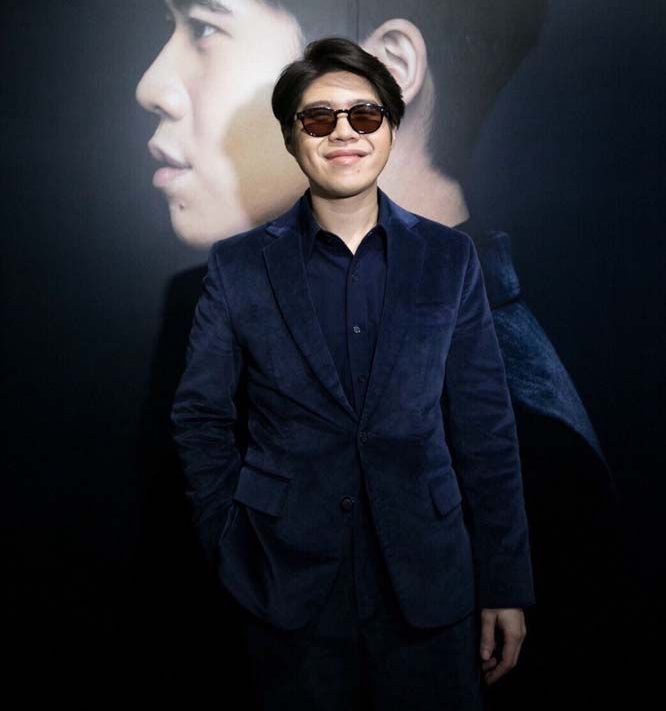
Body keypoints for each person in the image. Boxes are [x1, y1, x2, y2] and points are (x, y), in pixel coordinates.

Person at [170, 35, 536, 710]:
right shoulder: (238, 267)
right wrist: (231, 542)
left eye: (365, 115)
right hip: (283, 587)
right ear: (292, 137)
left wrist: (506, 582)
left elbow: (486, 428)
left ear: (390, 128)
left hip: (431, 587)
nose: (344, 132)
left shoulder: (450, 259)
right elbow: (199, 417)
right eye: (319, 118)